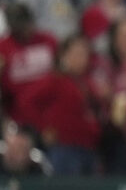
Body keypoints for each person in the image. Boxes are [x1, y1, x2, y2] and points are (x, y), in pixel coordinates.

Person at [24, 34, 100, 175]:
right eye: (77, 53)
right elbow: (27, 101)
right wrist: (43, 128)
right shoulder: (56, 80)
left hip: (88, 147)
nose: (82, 59)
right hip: (65, 149)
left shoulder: (87, 83)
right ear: (64, 56)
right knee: (66, 187)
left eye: (85, 54)